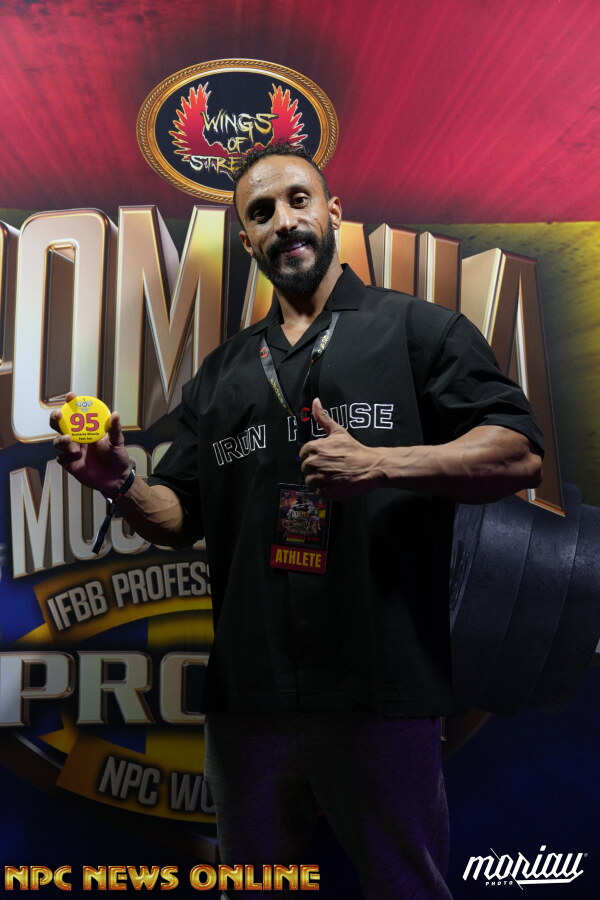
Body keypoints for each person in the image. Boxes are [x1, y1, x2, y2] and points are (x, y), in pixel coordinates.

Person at [51, 144, 543, 899]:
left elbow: (518, 452)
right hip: (250, 701)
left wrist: (381, 464)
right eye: (261, 213)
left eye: (297, 200)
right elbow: (177, 515)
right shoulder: (222, 373)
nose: (283, 221)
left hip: (382, 690)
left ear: (332, 212)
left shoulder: (419, 331)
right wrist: (118, 483)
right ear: (247, 240)